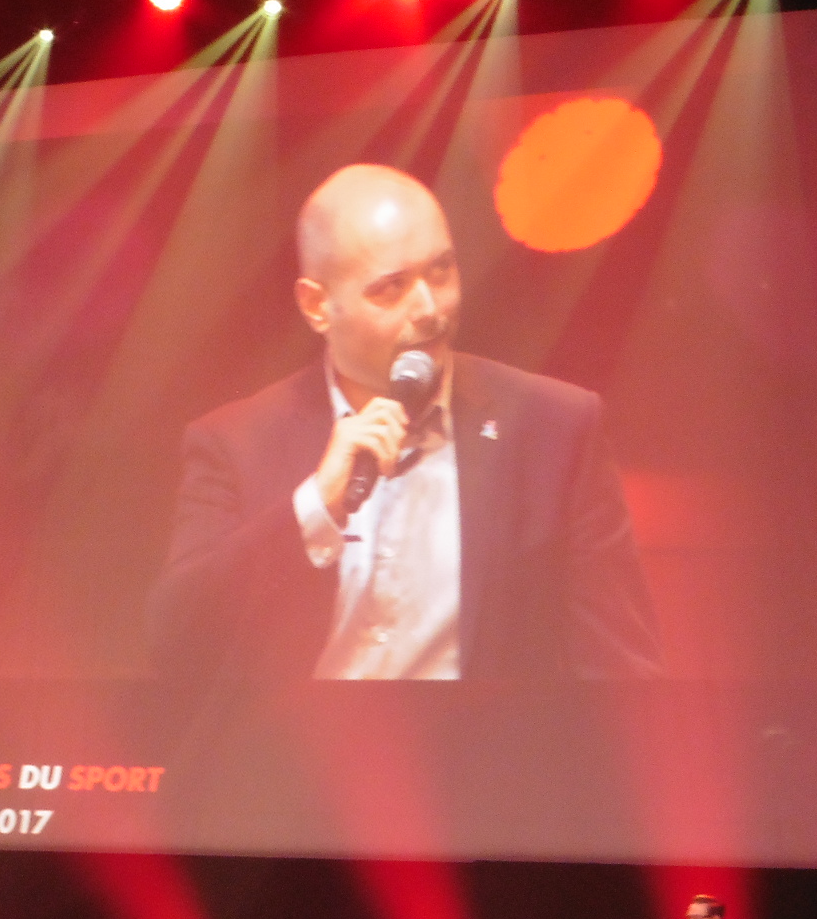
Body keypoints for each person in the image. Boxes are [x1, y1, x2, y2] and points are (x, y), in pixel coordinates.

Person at [146, 163, 661, 682]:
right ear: (317, 305)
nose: (429, 308)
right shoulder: (236, 442)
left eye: (441, 271)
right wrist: (316, 508)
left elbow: (621, 672)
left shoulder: (554, 426)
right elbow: (176, 643)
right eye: (391, 288)